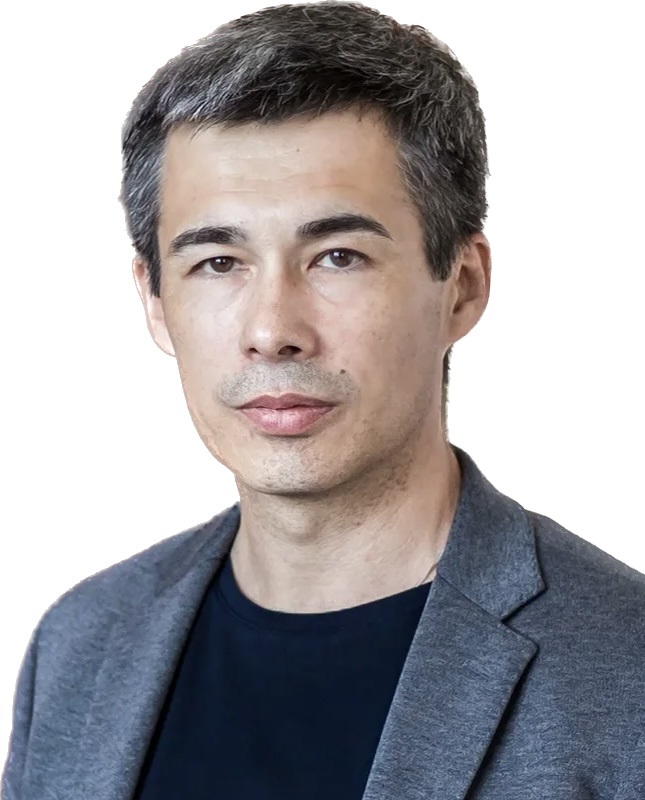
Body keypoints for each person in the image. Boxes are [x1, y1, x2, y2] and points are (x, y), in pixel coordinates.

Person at [3, 1, 644, 798]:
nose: (272, 331)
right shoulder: (79, 647)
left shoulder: (625, 671)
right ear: (155, 301)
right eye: (217, 262)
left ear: (462, 285)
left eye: (337, 256)